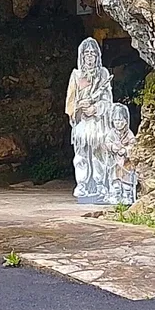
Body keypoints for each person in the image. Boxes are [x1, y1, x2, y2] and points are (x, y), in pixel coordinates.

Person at [65, 38, 114, 203]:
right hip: (82, 123)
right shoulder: (76, 75)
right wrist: (79, 108)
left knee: (99, 154)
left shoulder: (103, 74)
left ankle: (100, 185)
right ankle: (83, 185)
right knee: (81, 156)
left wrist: (97, 108)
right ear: (82, 56)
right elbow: (70, 102)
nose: (90, 57)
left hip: (98, 122)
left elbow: (108, 101)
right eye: (87, 53)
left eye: (93, 53)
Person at [105, 102, 138, 207]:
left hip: (125, 164)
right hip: (114, 163)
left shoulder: (129, 134)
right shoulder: (111, 133)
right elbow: (107, 143)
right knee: (115, 181)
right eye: (116, 120)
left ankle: (127, 196)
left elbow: (133, 145)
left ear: (126, 121)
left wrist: (125, 150)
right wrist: (112, 147)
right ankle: (115, 195)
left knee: (126, 182)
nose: (118, 123)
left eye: (120, 120)